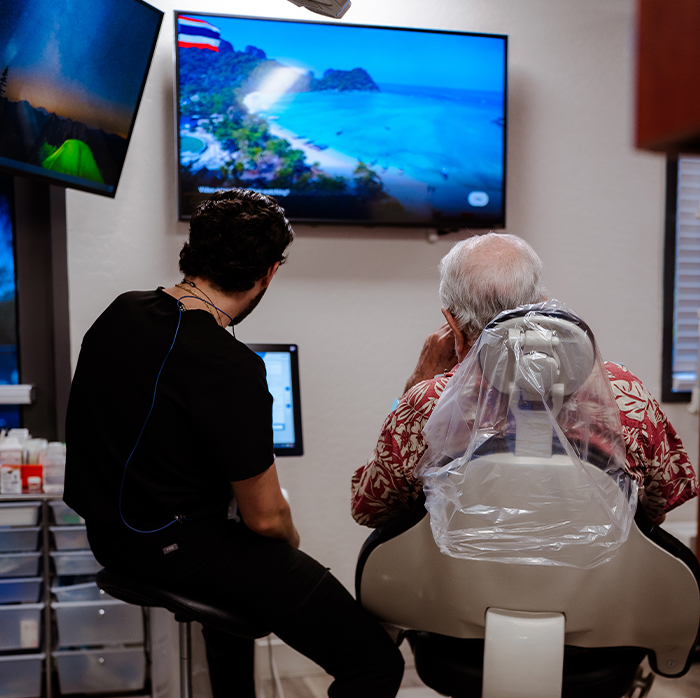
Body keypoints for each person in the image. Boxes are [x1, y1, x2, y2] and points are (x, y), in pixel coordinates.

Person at [64, 189, 404, 698]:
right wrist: (291, 549)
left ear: (191, 251)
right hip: (177, 548)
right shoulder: (232, 366)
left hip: (110, 538)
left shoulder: (121, 312)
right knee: (374, 663)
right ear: (269, 271)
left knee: (242, 591)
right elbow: (266, 518)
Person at [351, 232, 698, 528]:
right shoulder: (623, 394)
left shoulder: (427, 404)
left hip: (460, 598)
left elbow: (371, 510)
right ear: (542, 304)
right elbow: (658, 506)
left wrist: (415, 385)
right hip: (597, 600)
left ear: (451, 323)